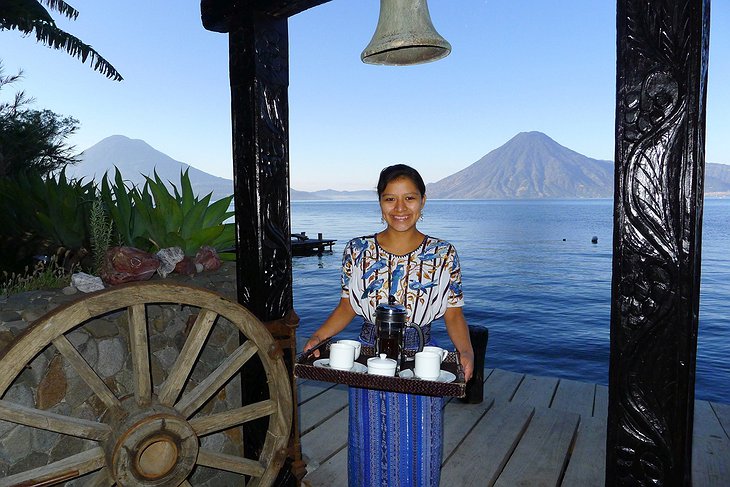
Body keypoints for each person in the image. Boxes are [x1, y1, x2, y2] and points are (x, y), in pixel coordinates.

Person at [303, 163, 474, 486]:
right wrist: (318, 336)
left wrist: (465, 351)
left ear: (423, 201)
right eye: (389, 199)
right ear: (379, 202)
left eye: (409, 198)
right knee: (368, 437)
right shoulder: (358, 250)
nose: (400, 208)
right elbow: (348, 305)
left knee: (419, 440)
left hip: (420, 355)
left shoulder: (443, 254)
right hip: (369, 353)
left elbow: (453, 313)